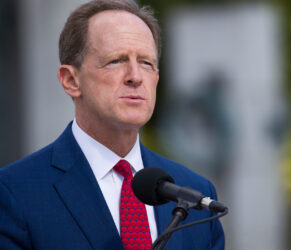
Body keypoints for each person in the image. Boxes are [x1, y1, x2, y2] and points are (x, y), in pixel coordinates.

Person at [0, 0, 225, 249]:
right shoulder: (14, 193)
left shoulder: (195, 194)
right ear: (71, 80)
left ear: (156, 78)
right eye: (116, 61)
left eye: (146, 63)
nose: (135, 77)